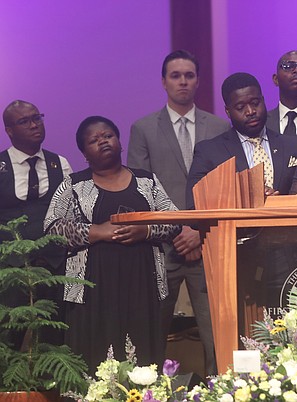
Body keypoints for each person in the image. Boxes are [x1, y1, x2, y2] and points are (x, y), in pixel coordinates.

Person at [44, 116, 181, 373]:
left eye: (107, 135)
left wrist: (146, 231)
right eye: (94, 140)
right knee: (94, 356)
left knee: (142, 356)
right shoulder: (73, 185)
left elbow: (174, 221)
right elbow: (52, 229)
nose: (103, 141)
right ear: (85, 153)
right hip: (92, 290)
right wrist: (98, 232)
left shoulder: (146, 181)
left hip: (143, 284)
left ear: (120, 142)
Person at [128, 50, 228, 375]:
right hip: (163, 246)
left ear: (198, 80)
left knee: (217, 333)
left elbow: (224, 186)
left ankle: (221, 393)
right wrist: (179, 230)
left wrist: (198, 228)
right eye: (175, 75)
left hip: (207, 242)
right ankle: (146, 392)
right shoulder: (143, 128)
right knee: (152, 332)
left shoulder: (219, 126)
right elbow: (140, 191)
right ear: (163, 81)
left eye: (189, 75)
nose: (183, 81)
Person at [0, 100, 72, 347]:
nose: (34, 125)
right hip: (10, 271)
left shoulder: (60, 164)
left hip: (53, 266)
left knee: (53, 340)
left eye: (37, 118)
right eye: (24, 121)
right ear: (9, 130)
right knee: (7, 339)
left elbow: (69, 213)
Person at [186, 72, 297, 208]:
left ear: (263, 100)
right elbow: (193, 206)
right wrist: (247, 200)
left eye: (255, 103)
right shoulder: (209, 152)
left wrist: (278, 203)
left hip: (284, 227)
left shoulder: (293, 146)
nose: (250, 111)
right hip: (234, 229)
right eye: (240, 108)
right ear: (228, 111)